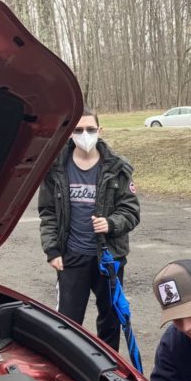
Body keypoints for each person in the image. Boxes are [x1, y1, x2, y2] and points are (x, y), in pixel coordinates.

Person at [39, 107, 140, 352]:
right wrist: (52, 250)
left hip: (109, 258)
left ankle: (108, 369)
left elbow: (131, 211)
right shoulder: (55, 168)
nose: (85, 134)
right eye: (79, 130)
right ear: (69, 133)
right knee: (68, 323)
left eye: (91, 129)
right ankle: (70, 370)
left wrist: (111, 223)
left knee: (110, 319)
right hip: (72, 257)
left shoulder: (118, 168)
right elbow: (48, 212)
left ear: (100, 130)